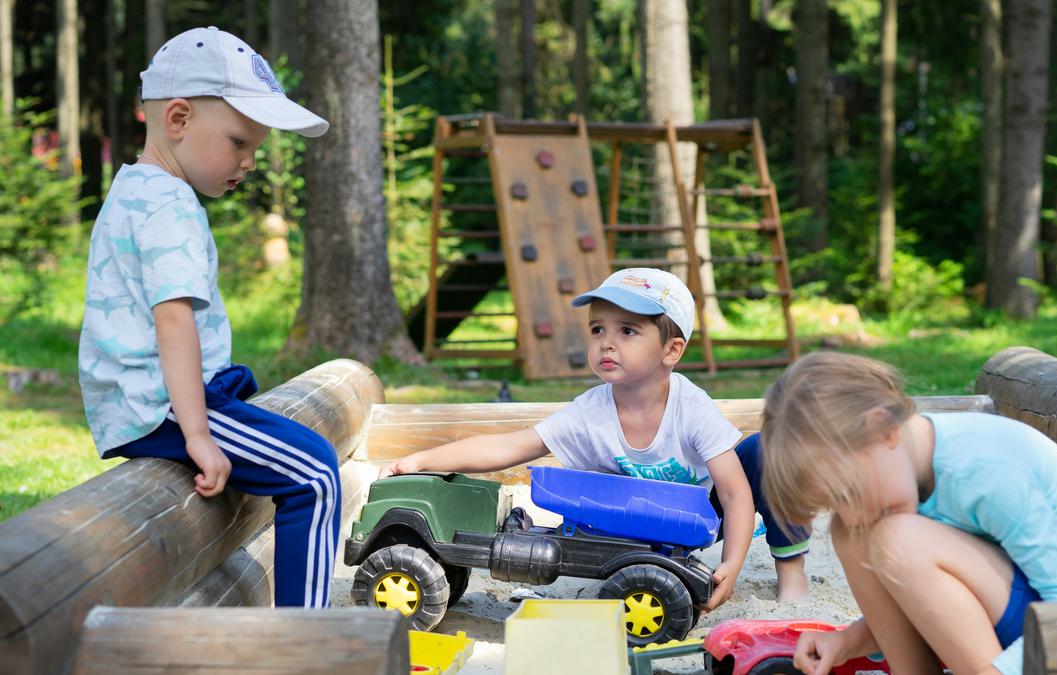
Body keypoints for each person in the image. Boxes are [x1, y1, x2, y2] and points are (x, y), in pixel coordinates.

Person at [78, 26, 335, 608]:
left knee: (288, 447)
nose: (248, 162)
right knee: (315, 474)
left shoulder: (134, 189)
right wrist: (198, 433)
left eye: (256, 150)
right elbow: (173, 321)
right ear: (178, 119)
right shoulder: (170, 205)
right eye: (240, 142)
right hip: (165, 407)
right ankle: (313, 643)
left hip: (145, 400)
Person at [378, 268, 808, 606]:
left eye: (628, 331)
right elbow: (511, 445)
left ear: (671, 351)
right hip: (630, 524)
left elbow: (734, 495)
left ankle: (792, 572)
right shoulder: (591, 410)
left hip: (695, 514)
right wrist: (421, 460)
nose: (606, 343)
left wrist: (731, 566)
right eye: (598, 329)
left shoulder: (690, 406)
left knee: (768, 451)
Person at [759, 352, 1057, 675]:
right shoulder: (899, 475)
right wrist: (845, 642)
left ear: (884, 429)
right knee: (852, 534)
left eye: (850, 492)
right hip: (1023, 616)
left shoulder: (983, 471)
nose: (851, 513)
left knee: (898, 542)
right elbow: (936, 602)